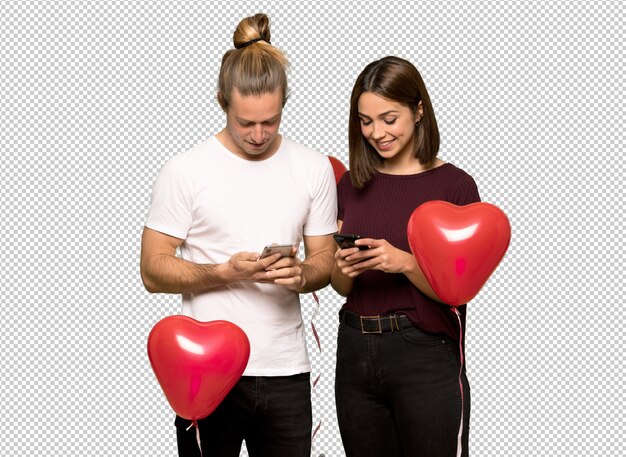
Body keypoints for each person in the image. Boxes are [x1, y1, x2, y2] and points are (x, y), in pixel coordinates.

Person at [140, 13, 337, 457]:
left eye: (270, 121)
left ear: (285, 102)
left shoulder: (313, 167)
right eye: (245, 122)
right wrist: (224, 272)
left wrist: (301, 274)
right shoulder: (185, 170)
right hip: (205, 368)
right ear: (221, 101)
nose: (258, 134)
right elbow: (152, 271)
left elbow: (325, 259)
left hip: (287, 371)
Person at [331, 56, 481, 457]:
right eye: (365, 121)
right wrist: (341, 266)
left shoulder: (455, 186)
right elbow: (342, 286)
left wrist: (405, 262)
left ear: (418, 111)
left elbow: (459, 293)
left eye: (388, 118)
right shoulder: (352, 184)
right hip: (355, 349)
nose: (376, 132)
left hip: (425, 354)